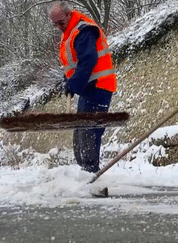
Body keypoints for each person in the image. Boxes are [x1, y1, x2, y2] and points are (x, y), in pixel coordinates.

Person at [49, 2, 117, 173]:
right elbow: (74, 64)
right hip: (89, 88)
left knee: (88, 133)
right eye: (55, 24)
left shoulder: (84, 30)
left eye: (60, 23)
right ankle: (85, 174)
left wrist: (74, 84)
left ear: (69, 14)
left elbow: (88, 60)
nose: (58, 27)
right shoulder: (71, 32)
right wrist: (69, 81)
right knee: (81, 136)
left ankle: (91, 174)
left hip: (99, 87)